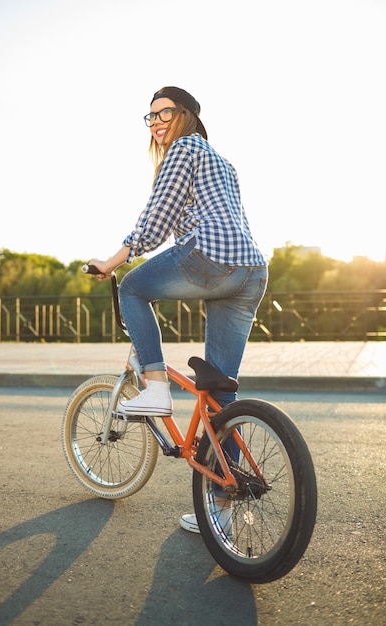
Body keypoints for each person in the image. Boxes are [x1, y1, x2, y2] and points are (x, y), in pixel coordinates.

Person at [88, 86, 268, 534]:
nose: (156, 121)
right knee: (219, 393)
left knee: (132, 288)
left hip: (210, 258)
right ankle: (221, 511)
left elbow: (158, 215)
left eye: (164, 112)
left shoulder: (184, 147)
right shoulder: (223, 161)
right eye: (149, 117)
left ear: (186, 114)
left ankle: (155, 386)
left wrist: (113, 261)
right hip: (250, 273)